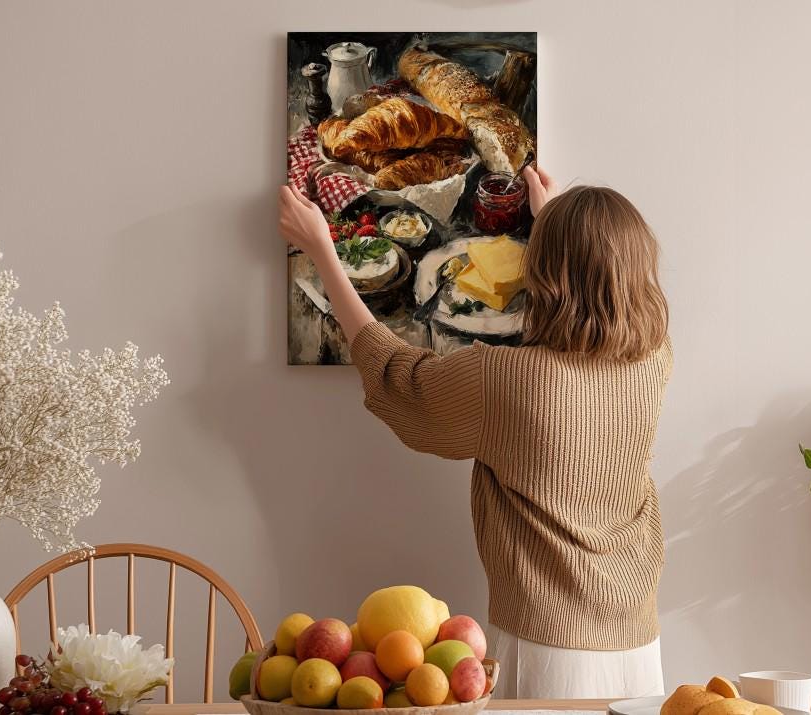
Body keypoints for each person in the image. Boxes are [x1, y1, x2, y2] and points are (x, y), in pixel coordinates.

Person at [278, 166, 672, 699]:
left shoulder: (505, 379)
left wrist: (323, 250)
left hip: (546, 644)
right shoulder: (654, 360)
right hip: (638, 641)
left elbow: (396, 373)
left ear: (545, 270)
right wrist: (555, 222)